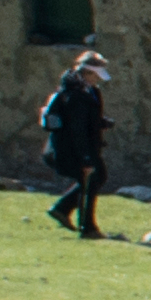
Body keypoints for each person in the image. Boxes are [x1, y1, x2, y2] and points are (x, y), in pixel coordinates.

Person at [37, 46, 112, 238]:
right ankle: (87, 227)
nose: (97, 78)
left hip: (84, 146)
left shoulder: (89, 91)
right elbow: (77, 129)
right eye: (94, 74)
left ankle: (65, 211)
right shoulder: (75, 95)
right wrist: (85, 158)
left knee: (94, 179)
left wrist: (100, 123)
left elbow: (86, 120)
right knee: (91, 179)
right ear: (86, 73)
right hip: (72, 148)